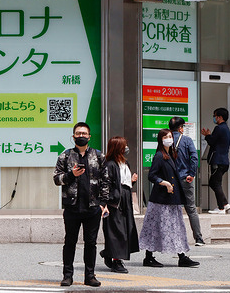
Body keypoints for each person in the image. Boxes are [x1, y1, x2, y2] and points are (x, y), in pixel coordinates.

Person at [53, 122, 109, 287]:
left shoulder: (99, 156)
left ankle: (90, 276)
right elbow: (56, 179)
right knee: (70, 242)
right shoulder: (65, 156)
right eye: (78, 133)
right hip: (72, 207)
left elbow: (106, 181)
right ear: (73, 136)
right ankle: (67, 275)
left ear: (89, 136)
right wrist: (71, 174)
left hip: (93, 207)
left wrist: (103, 203)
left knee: (91, 243)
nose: (81, 136)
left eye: (84, 133)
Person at [139, 129, 199, 268]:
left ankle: (181, 256)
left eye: (170, 136)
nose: (169, 138)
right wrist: (164, 182)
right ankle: (151, 257)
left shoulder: (171, 154)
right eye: (165, 136)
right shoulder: (160, 156)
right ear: (160, 140)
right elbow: (151, 175)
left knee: (174, 228)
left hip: (170, 199)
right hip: (161, 200)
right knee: (156, 228)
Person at [99, 136, 139, 274]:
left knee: (126, 229)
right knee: (117, 231)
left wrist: (132, 181)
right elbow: (105, 185)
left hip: (125, 199)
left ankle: (109, 252)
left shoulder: (125, 163)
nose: (126, 148)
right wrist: (104, 203)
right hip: (114, 202)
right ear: (118, 148)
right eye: (124, 145)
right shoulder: (109, 164)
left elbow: (124, 183)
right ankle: (117, 261)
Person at [169, 117, 205, 246]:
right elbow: (194, 158)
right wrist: (192, 174)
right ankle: (199, 238)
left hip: (170, 182)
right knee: (191, 209)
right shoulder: (187, 140)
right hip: (185, 178)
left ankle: (172, 239)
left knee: (171, 210)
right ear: (180, 128)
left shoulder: (166, 141)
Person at [201, 108, 230, 214]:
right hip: (223, 161)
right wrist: (209, 135)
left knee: (215, 183)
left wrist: (208, 135)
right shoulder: (226, 128)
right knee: (214, 182)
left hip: (218, 161)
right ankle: (225, 204)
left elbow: (212, 142)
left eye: (215, 116)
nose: (214, 118)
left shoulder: (219, 128)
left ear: (220, 117)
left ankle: (221, 208)